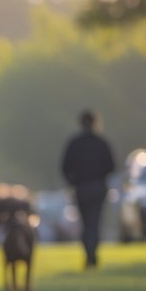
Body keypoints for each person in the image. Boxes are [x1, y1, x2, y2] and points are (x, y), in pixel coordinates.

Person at [60, 109, 116, 269]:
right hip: (97, 186)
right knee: (94, 222)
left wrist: (73, 181)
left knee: (86, 223)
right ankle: (92, 254)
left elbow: (65, 166)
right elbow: (111, 166)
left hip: (81, 187)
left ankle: (89, 254)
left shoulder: (75, 144)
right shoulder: (101, 143)